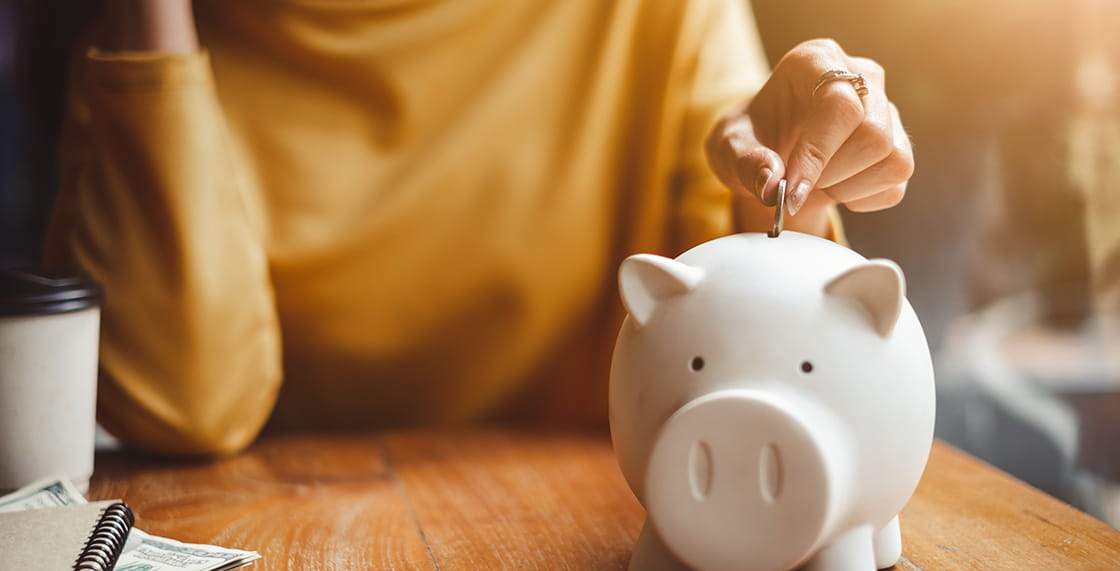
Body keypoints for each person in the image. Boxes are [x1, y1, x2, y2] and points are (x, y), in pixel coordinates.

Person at [30, 0, 912, 455]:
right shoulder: (159, 45)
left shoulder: (646, 13)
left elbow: (757, 343)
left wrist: (789, 180)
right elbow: (179, 406)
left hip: (590, 531)